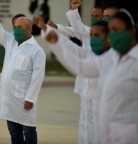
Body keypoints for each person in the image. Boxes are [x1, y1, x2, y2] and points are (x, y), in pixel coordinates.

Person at [43, 9, 138, 144]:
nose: (113, 35)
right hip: (104, 135)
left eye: (116, 30)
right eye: (111, 31)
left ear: (132, 31)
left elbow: (78, 29)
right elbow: (79, 66)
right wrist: (56, 43)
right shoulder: (111, 57)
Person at [0, 0, 46, 144]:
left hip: (24, 99)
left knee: (28, 130)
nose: (16, 29)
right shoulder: (10, 41)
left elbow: (38, 77)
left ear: (29, 30)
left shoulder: (37, 51)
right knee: (13, 131)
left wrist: (30, 98)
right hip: (9, 97)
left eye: (20, 27)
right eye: (15, 26)